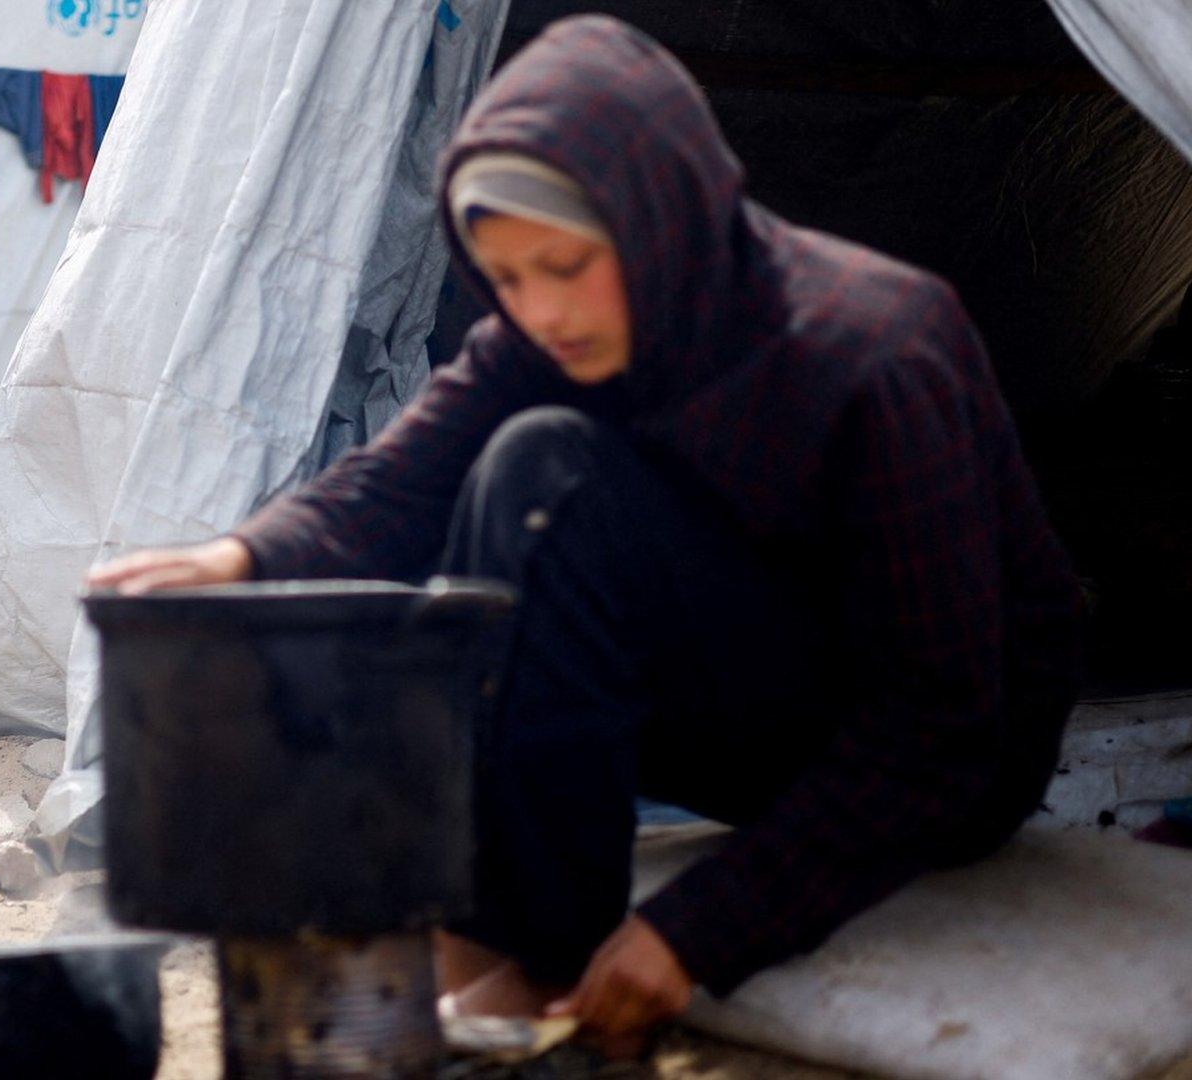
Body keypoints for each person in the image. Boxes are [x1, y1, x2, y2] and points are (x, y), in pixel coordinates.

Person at [87, 16, 1084, 1056]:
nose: (541, 311)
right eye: (509, 279)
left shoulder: (872, 352)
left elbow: (943, 729)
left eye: (565, 265)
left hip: (952, 763)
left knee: (552, 478)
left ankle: (521, 964)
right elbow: (395, 488)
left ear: (661, 220)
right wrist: (233, 559)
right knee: (517, 474)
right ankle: (513, 950)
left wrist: (696, 930)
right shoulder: (550, 337)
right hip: (765, 727)